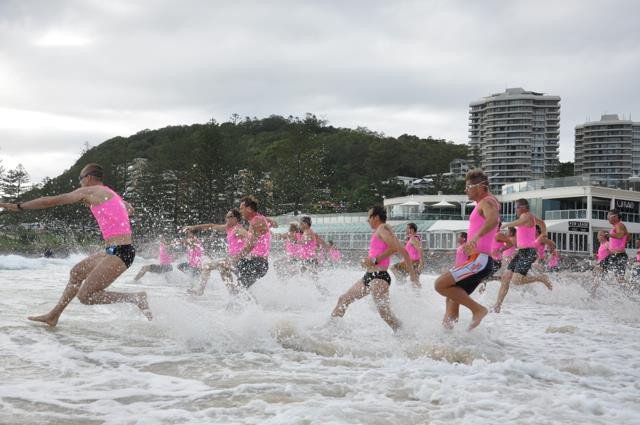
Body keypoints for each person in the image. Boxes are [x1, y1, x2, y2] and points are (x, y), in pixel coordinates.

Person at [0, 163, 150, 327]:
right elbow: (130, 209)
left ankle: (135, 298)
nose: (80, 184)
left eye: (80, 179)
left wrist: (18, 206)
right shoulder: (110, 193)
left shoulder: (89, 191)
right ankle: (53, 315)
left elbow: (50, 201)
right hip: (114, 250)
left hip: (120, 252)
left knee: (86, 296)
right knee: (77, 273)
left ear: (89, 178)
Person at [331, 206, 419, 333]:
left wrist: (374, 260)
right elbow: (404, 252)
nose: (368, 220)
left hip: (379, 277)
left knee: (385, 314)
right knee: (343, 299)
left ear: (376, 217)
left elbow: (394, 248)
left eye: (369, 217)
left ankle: (405, 333)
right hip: (370, 276)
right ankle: (330, 330)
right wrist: (413, 276)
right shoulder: (386, 230)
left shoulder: (382, 228)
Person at [434, 169, 499, 331]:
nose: (466, 190)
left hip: (480, 260)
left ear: (481, 187)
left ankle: (478, 309)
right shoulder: (485, 203)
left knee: (440, 285)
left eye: (469, 187)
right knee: (451, 299)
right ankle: (448, 338)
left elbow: (493, 220)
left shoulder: (487, 202)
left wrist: (476, 238)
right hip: (476, 260)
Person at [493, 199, 552, 313]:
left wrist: (506, 225)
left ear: (523, 207)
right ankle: (497, 305)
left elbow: (520, 222)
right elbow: (543, 223)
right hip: (521, 252)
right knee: (506, 278)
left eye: (516, 208)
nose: (515, 210)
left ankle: (541, 278)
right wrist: (544, 232)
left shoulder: (527, 215)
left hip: (529, 252)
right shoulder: (531, 218)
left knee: (517, 280)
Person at [183, 209, 247, 295]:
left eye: (229, 217)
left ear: (235, 219)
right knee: (220, 268)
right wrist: (194, 227)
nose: (226, 219)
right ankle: (232, 292)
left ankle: (200, 290)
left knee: (209, 266)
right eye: (226, 217)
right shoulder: (228, 228)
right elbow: (211, 226)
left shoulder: (238, 229)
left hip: (238, 260)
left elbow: (250, 237)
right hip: (231, 260)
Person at [231, 195, 271, 290]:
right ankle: (244, 301)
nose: (240, 212)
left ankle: (236, 302)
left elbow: (251, 245)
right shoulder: (256, 220)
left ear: (249, 209)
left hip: (259, 263)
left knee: (240, 288)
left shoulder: (257, 221)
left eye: (241, 209)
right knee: (225, 266)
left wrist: (237, 257)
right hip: (254, 262)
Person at [390, 222, 423, 288]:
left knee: (393, 268)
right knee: (414, 280)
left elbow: (420, 249)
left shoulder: (414, 239)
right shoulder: (412, 238)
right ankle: (419, 295)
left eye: (407, 228)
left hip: (412, 262)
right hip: (414, 262)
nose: (406, 230)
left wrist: (421, 262)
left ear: (412, 230)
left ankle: (401, 280)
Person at [600, 209, 629, 281]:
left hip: (619, 256)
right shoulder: (617, 226)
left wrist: (609, 235)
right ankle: (598, 288)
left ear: (615, 216)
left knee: (620, 279)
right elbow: (627, 237)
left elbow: (620, 235)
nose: (607, 218)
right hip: (615, 255)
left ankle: (633, 290)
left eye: (609, 216)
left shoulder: (619, 224)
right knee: (599, 270)